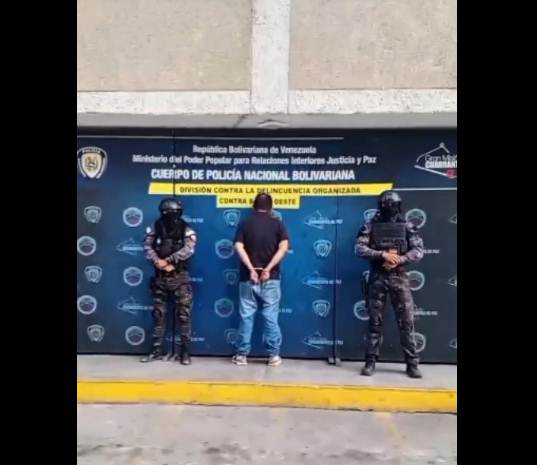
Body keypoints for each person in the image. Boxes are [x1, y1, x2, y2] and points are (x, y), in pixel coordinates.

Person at [356, 190, 424, 378]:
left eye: (394, 205)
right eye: (389, 205)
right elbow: (359, 248)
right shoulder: (370, 226)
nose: (392, 208)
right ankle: (370, 362)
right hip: (378, 277)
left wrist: (400, 259)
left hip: (399, 277)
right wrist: (382, 255)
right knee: (374, 323)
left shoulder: (407, 226)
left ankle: (412, 364)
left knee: (407, 323)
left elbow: (418, 250)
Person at [231, 193, 289, 367]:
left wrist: (251, 269)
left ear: (253, 207)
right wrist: (268, 269)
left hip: (248, 277)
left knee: (246, 315)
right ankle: (273, 356)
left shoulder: (245, 223)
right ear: (271, 208)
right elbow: (283, 248)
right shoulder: (278, 224)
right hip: (271, 277)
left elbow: (238, 246)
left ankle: (242, 355)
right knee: (270, 316)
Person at [140, 198, 197, 365]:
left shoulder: (186, 229)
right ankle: (156, 351)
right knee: (158, 315)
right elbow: (147, 246)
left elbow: (189, 249)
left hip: (180, 277)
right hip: (160, 277)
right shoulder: (155, 227)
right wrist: (157, 261)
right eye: (168, 212)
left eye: (173, 212)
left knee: (184, 316)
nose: (170, 216)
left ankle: (185, 353)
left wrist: (169, 260)